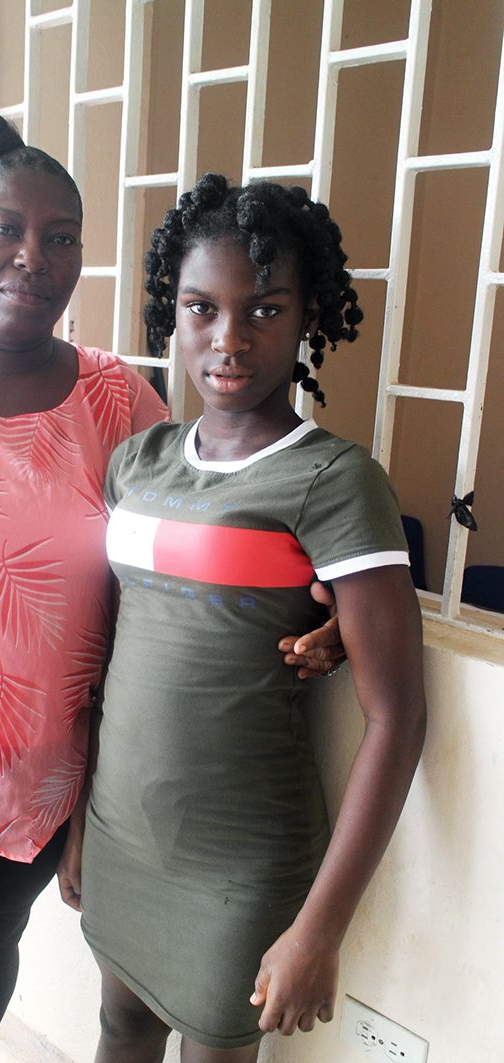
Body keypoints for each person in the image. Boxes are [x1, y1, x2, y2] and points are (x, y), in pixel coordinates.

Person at [0, 117, 340, 1063]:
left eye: (60, 238)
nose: (31, 257)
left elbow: (205, 515)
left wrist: (324, 595)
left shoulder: (117, 398)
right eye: (4, 230)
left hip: (53, 774)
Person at [65, 174, 427, 1062]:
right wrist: (78, 824)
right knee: (118, 1026)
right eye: (201, 308)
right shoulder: (137, 461)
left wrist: (318, 928)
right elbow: (111, 655)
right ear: (173, 311)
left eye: (263, 309)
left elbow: (396, 717)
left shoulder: (333, 480)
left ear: (308, 316)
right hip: (120, 830)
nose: (228, 339)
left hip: (238, 857)